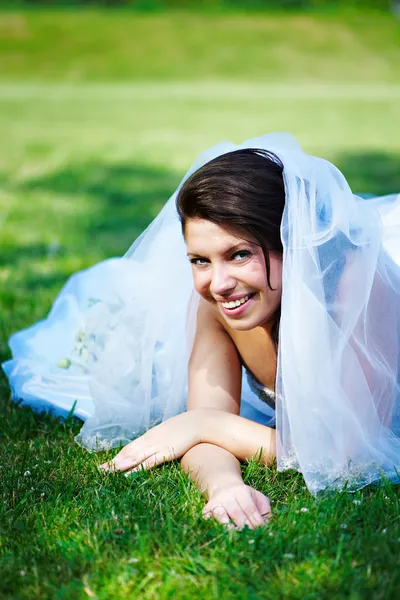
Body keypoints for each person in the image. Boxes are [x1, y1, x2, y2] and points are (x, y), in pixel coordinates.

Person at [3, 133, 400, 530]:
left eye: (239, 254)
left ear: (291, 243)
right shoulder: (217, 303)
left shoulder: (359, 284)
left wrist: (203, 423)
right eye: (200, 260)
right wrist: (224, 485)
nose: (218, 283)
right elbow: (203, 428)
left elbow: (347, 453)